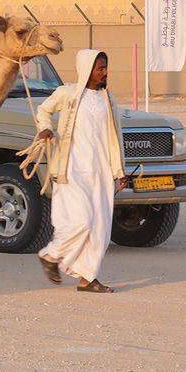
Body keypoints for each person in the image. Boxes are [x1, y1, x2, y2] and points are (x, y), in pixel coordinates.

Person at [33, 49, 129, 293]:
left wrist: (120, 171)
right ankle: (51, 255)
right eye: (100, 68)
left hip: (102, 173)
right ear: (88, 70)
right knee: (81, 222)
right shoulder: (68, 94)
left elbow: (115, 136)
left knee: (100, 231)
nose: (105, 72)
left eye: (106, 67)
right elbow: (44, 110)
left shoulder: (109, 98)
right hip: (73, 170)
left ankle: (88, 277)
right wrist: (45, 129)